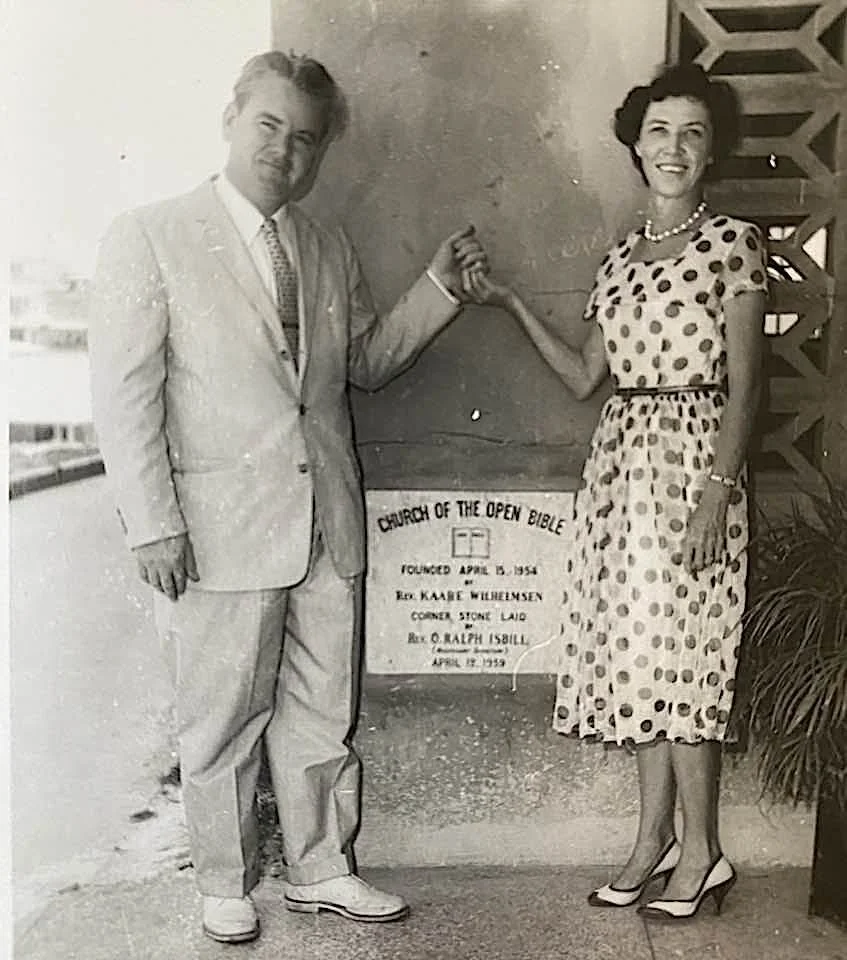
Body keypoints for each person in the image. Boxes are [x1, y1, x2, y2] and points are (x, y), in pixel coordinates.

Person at [89, 50, 486, 944]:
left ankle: (321, 869)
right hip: (216, 529)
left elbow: (365, 368)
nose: (285, 151)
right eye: (269, 126)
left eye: (305, 140)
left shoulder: (324, 245)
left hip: (324, 523)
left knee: (319, 711)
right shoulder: (150, 234)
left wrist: (436, 292)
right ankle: (224, 881)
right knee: (222, 715)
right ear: (231, 117)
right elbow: (124, 397)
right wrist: (152, 524)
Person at [467, 63, 767, 921]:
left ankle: (701, 851)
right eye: (660, 132)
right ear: (637, 145)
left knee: (690, 660)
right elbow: (581, 374)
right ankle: (652, 840)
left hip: (695, 465)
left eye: (692, 133)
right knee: (639, 664)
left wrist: (716, 490)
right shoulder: (618, 261)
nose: (674, 148)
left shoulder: (733, 244)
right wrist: (507, 300)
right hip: (620, 473)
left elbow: (747, 388)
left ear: (710, 152)